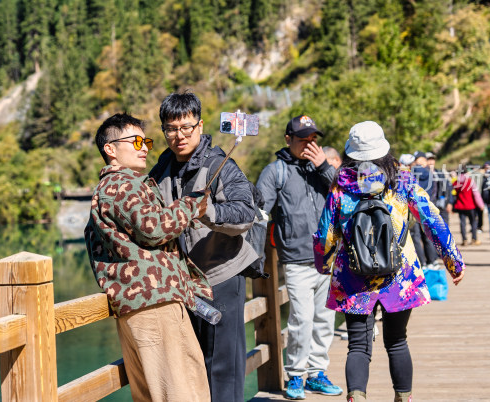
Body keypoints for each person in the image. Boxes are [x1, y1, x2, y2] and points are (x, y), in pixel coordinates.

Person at [313, 121, 465, 402]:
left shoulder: (340, 185)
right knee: (397, 341)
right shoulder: (401, 179)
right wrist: (453, 261)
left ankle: (356, 397)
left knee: (357, 345)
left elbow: (325, 236)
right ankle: (402, 398)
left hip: (353, 276)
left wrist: (323, 265)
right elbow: (432, 220)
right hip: (400, 276)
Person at [84, 113, 213, 401]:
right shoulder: (123, 184)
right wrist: (191, 205)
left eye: (147, 141)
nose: (145, 147)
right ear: (110, 149)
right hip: (156, 304)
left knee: (152, 393)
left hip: (139, 306)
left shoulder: (109, 189)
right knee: (183, 390)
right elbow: (153, 228)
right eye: (137, 141)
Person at [149, 91, 258, 402]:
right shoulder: (161, 171)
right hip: (183, 284)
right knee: (189, 364)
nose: (179, 135)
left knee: (223, 366)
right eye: (171, 129)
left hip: (220, 276)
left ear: (199, 126)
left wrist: (209, 212)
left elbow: (245, 213)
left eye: (186, 127)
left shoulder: (221, 165)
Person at [256, 115, 342, 399]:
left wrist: (323, 166)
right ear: (288, 139)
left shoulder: (323, 169)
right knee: (301, 320)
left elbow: (343, 193)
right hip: (295, 260)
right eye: (303, 138)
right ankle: (295, 375)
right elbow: (259, 212)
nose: (309, 144)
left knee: (324, 320)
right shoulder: (275, 172)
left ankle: (317, 374)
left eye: (313, 139)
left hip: (326, 259)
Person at [452, 167, 484, 246]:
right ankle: (474, 239)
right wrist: (481, 205)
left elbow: (453, 193)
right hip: (470, 206)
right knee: (473, 222)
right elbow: (476, 194)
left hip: (460, 206)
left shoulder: (456, 183)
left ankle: (464, 240)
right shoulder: (470, 181)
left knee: (462, 223)